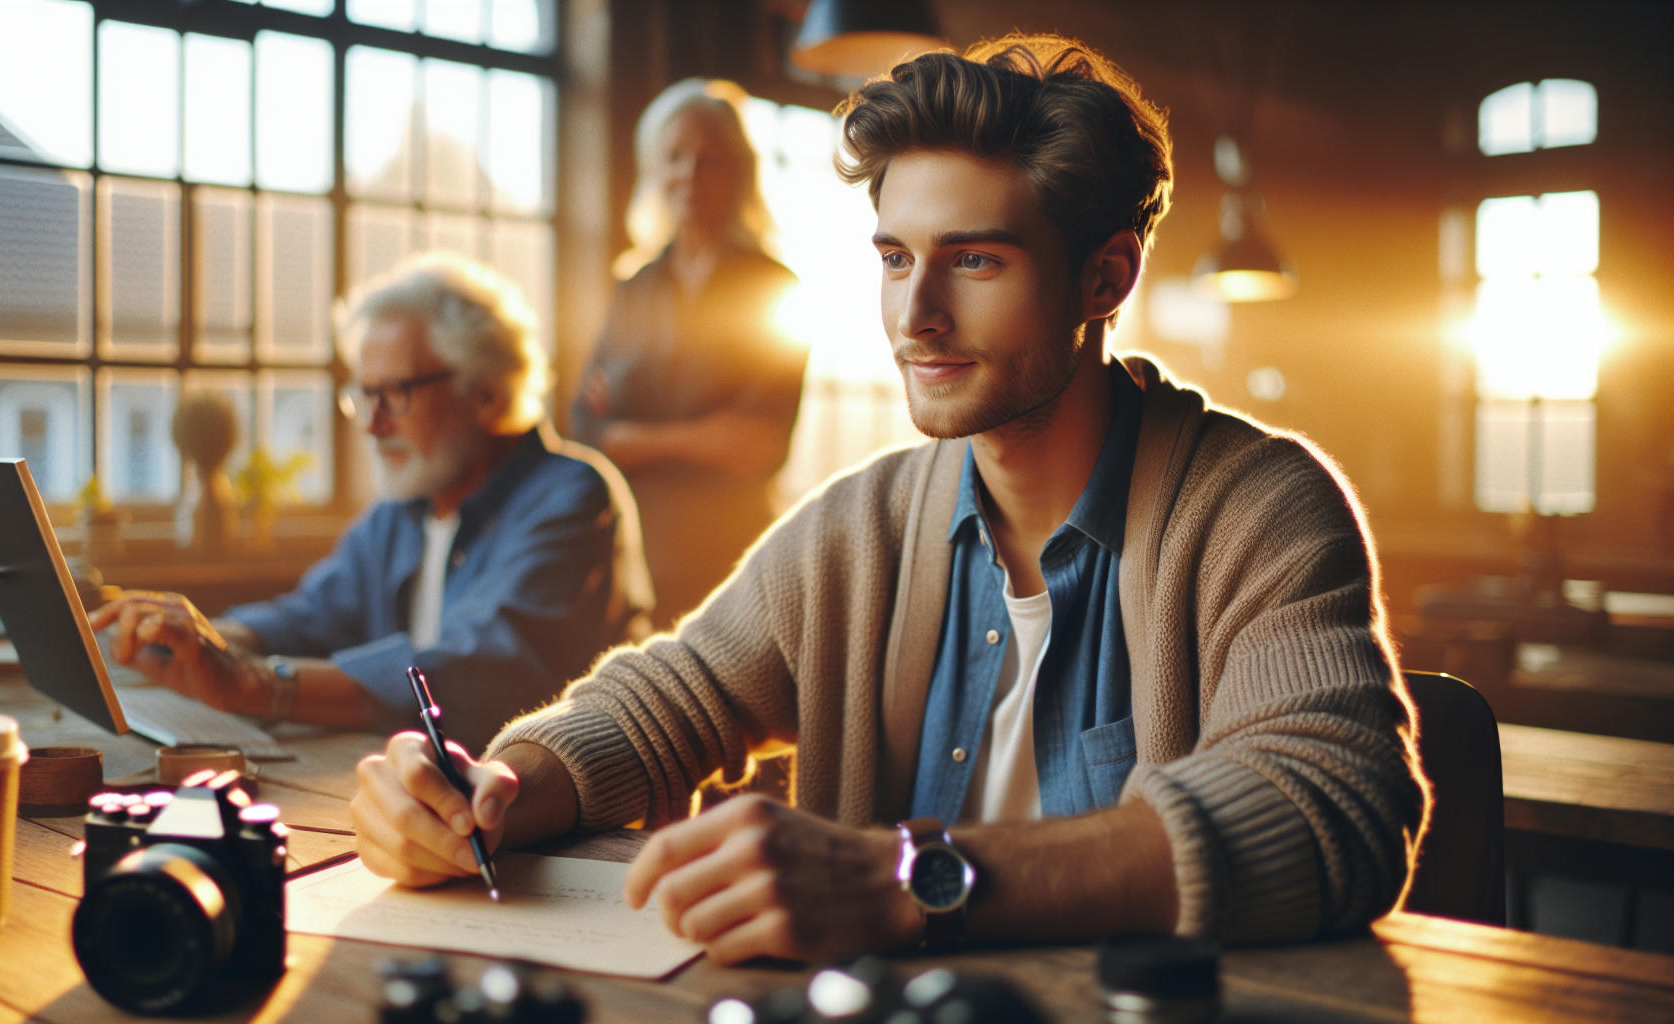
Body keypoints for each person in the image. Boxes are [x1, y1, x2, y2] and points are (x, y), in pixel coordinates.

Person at [352, 35, 1425, 964]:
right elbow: (661, 703)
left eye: (975, 261)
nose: (916, 315)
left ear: (1106, 281)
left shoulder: (1258, 506)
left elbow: (1331, 806)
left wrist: (904, 878)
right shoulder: (855, 527)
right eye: (896, 257)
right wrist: (484, 790)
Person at [91, 254, 653, 742]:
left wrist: (252, 683)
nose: (371, 424)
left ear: (486, 393)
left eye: (396, 394)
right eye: (364, 395)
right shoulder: (401, 513)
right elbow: (312, 616)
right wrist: (196, 637)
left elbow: (480, 671)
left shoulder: (573, 495)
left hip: (564, 829)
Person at [568, 78, 808, 628]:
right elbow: (585, 432)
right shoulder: (632, 288)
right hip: (633, 548)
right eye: (674, 157)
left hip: (732, 553)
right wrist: (705, 436)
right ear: (654, 169)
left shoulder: (775, 286)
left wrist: (634, 437)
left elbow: (760, 446)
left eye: (709, 159)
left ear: (738, 171)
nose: (689, 175)